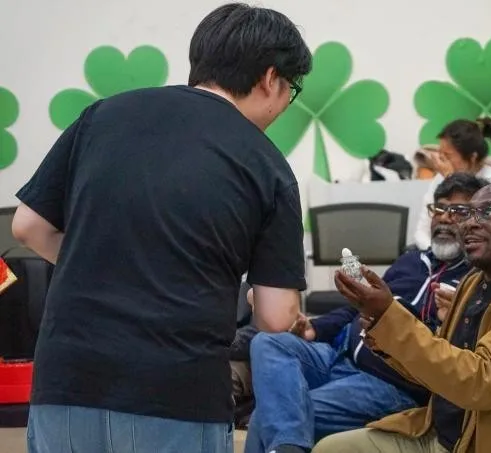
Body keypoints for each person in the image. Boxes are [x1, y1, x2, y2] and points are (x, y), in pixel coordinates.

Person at [11, 4, 311, 453]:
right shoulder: (267, 165)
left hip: (65, 382)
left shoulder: (103, 116)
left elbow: (28, 226)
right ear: (271, 78)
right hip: (175, 396)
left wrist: (105, 266)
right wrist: (256, 298)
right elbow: (276, 316)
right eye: (293, 89)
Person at [315, 182, 491, 453]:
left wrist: (392, 317)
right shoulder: (474, 283)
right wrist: (382, 326)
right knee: (331, 448)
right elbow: (441, 367)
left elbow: (480, 382)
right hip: (442, 432)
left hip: (488, 444)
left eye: (488, 212)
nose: (469, 223)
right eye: (468, 213)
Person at [244, 174, 488, 453]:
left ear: (477, 221)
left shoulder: (477, 281)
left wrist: (457, 319)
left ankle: (288, 446)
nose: (444, 218)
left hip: (390, 384)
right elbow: (357, 307)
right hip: (341, 357)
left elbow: (465, 361)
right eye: (439, 208)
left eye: (457, 211)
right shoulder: (411, 261)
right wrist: (316, 328)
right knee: (267, 343)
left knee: (268, 416)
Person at [413, 117, 491, 250]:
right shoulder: (439, 179)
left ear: (472, 157)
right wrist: (435, 253)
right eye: (440, 154)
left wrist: (451, 178)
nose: (440, 161)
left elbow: (483, 225)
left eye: (447, 155)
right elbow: (421, 231)